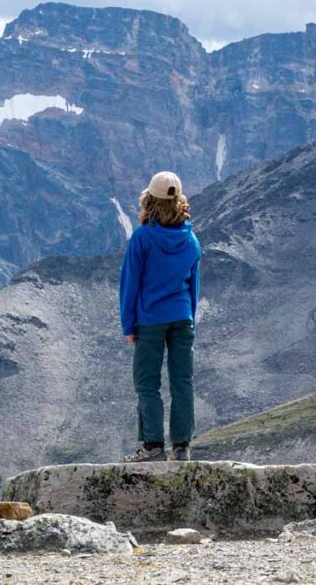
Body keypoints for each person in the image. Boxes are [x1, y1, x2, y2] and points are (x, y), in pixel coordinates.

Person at [118, 171, 201, 462]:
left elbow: (130, 285)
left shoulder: (142, 238)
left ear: (149, 201)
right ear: (179, 201)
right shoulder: (191, 240)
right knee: (182, 380)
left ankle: (153, 446)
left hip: (151, 319)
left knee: (147, 382)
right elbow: (194, 286)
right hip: (182, 317)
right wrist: (190, 319)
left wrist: (129, 325)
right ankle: (182, 446)